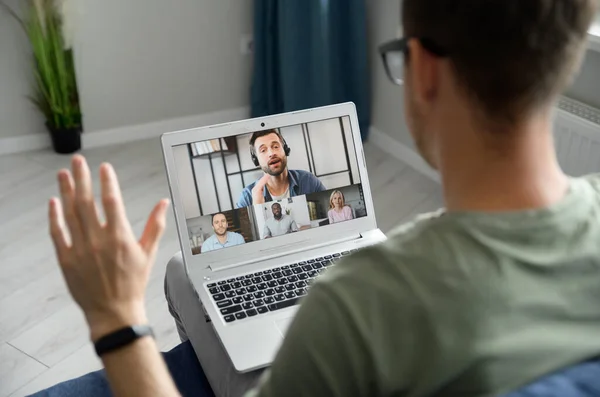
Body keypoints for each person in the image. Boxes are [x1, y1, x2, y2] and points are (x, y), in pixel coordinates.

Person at [47, 1, 600, 397]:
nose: (268, 156)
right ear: (565, 60)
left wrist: (115, 317)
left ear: (424, 71)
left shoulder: (355, 304)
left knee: (178, 271)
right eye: (260, 150)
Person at [235, 129, 326, 208]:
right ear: (256, 160)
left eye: (275, 147)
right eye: (263, 150)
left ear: (285, 150)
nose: (271, 153)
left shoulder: (309, 181)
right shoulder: (247, 197)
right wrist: (257, 208)